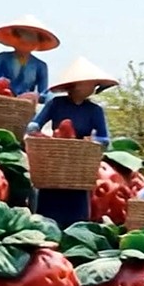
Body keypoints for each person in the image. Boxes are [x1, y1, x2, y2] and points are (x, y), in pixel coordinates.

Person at [27, 57, 116, 228]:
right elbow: (37, 122)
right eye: (89, 83)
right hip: (56, 157)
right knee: (49, 201)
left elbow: (105, 139)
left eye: (94, 85)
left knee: (77, 203)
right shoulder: (56, 103)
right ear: (76, 84)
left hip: (79, 163)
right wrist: (33, 129)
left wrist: (93, 141)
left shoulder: (95, 110)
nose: (92, 88)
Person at [0, 15, 58, 102]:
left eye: (32, 38)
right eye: (23, 36)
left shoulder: (40, 66)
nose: (26, 41)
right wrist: (1, 85)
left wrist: (36, 96)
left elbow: (44, 92)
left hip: (25, 105)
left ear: (37, 42)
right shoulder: (3, 58)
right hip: (1, 101)